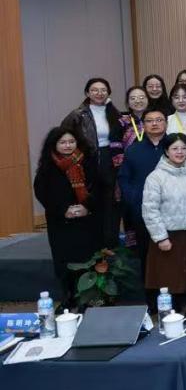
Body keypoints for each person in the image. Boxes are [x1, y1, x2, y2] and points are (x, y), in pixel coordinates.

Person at [141, 133, 186, 322]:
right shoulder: (155, 177)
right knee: (170, 278)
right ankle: (173, 317)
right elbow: (150, 210)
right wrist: (161, 237)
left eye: (183, 148)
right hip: (169, 236)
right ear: (166, 151)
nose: (179, 152)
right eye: (175, 148)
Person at [34, 126, 102, 305]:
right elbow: (42, 193)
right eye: (63, 142)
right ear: (54, 144)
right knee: (64, 262)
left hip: (87, 221)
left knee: (88, 260)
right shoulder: (48, 166)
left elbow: (100, 188)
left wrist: (86, 207)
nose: (67, 145)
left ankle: (89, 298)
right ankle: (68, 299)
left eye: (71, 141)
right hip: (60, 223)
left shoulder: (88, 161)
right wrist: (63, 210)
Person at [62, 78, 122, 245]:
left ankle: (111, 243)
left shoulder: (115, 113)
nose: (99, 93)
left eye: (103, 90)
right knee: (92, 200)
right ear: (87, 93)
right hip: (88, 160)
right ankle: (93, 244)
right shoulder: (77, 114)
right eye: (94, 90)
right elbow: (63, 136)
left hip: (111, 159)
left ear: (108, 93)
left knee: (112, 201)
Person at [117, 108, 169, 299]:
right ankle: (152, 301)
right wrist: (135, 200)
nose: (154, 124)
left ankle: (176, 300)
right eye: (149, 121)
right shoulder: (133, 150)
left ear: (166, 123)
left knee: (172, 257)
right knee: (147, 256)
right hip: (143, 212)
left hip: (173, 212)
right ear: (143, 125)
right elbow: (124, 179)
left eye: (159, 120)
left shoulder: (175, 147)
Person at [119, 86, 149, 151]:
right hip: (127, 156)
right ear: (128, 103)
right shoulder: (121, 122)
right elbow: (115, 146)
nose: (138, 101)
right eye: (133, 98)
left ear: (148, 100)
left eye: (141, 97)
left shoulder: (154, 120)